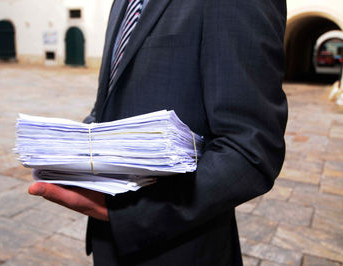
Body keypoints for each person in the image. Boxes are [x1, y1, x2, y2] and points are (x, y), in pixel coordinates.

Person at [29, 0, 288, 265]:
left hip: (183, 250)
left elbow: (251, 148)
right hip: (109, 244)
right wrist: (71, 152)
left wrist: (129, 214)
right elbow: (109, 105)